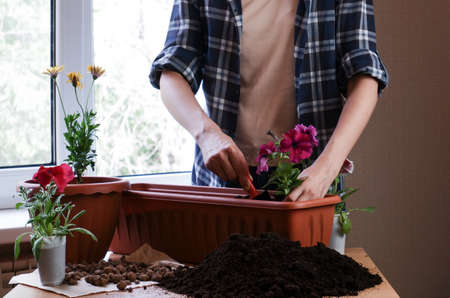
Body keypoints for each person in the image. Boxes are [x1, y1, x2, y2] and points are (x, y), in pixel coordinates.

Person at [149, 0, 388, 201]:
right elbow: (172, 71)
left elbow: (365, 75)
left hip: (312, 180)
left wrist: (328, 167)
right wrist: (206, 134)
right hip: (224, 175)